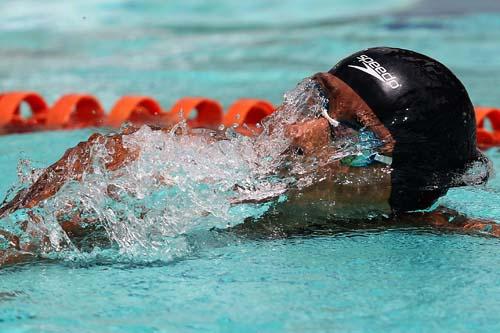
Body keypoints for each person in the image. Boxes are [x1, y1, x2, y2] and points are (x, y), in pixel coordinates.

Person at [0, 47, 498, 266]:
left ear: (402, 180)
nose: (302, 129)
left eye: (353, 134)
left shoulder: (429, 236)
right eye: (318, 100)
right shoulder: (193, 170)